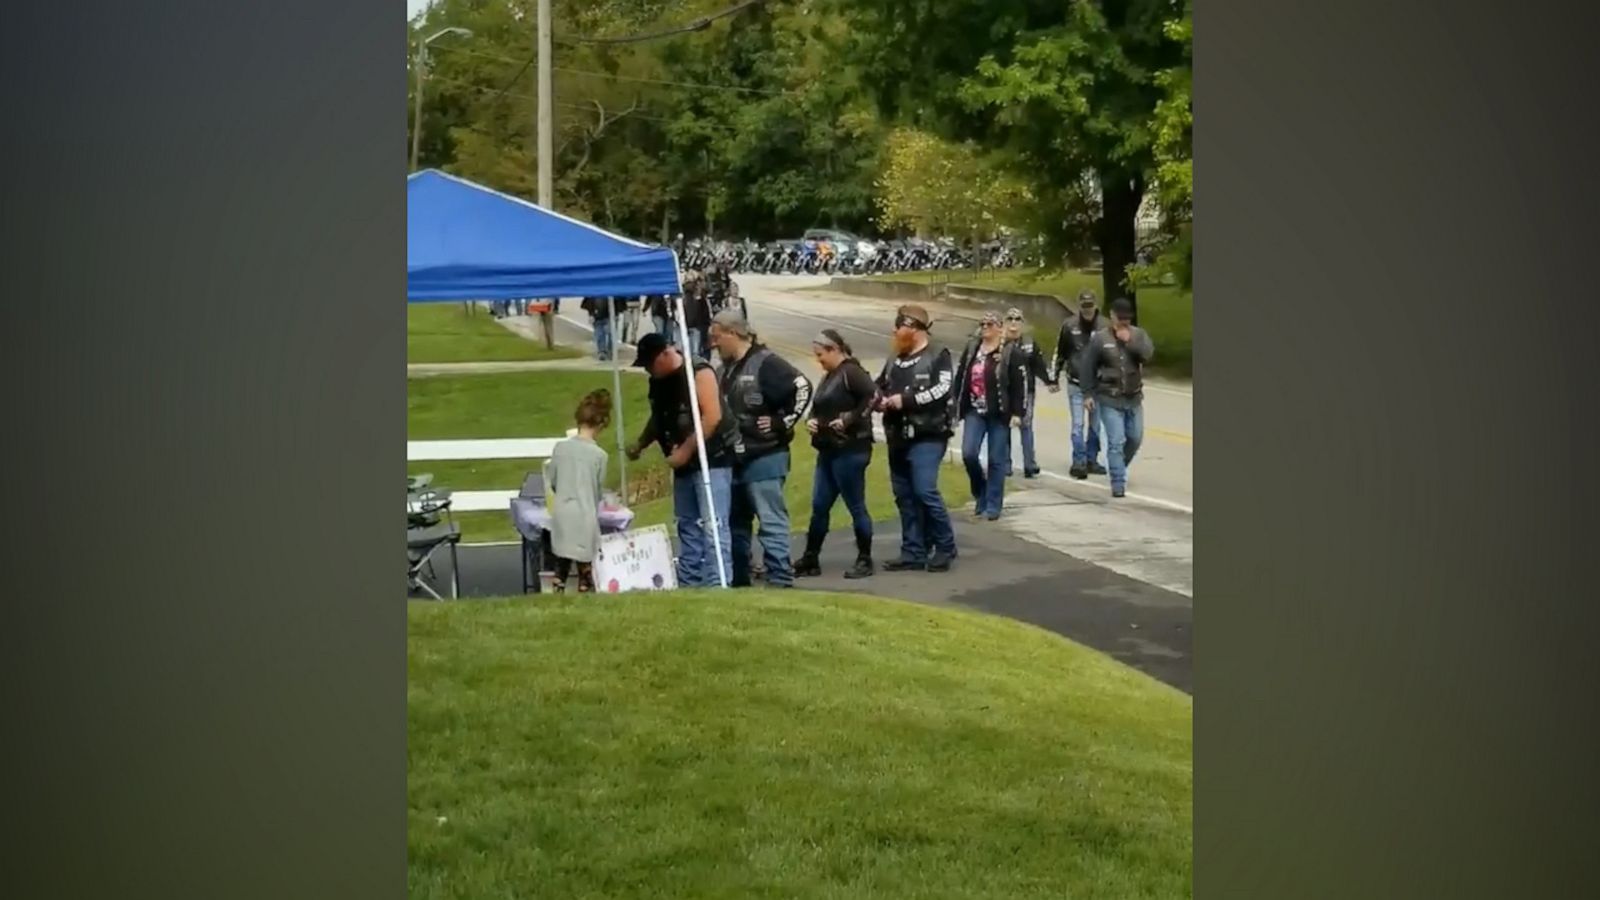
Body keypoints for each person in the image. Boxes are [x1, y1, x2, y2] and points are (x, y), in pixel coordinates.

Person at [710, 310, 813, 589]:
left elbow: (802, 387)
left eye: (717, 338)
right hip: (734, 457)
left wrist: (782, 422)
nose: (714, 345)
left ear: (733, 333)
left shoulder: (767, 363)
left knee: (770, 519)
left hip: (766, 455)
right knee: (736, 522)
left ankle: (780, 577)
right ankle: (739, 578)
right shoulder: (724, 369)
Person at [627, 333, 736, 587]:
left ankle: (717, 583)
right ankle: (689, 581)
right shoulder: (658, 382)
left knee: (713, 525)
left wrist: (685, 451)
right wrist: (642, 443)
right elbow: (658, 417)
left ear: (666, 354)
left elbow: (712, 417)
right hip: (682, 464)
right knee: (687, 524)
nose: (648, 371)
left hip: (712, 460)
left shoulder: (698, 372)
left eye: (650, 364)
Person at [874, 304, 957, 572]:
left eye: (899, 327)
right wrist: (877, 399)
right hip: (897, 435)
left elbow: (943, 389)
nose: (894, 331)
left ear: (913, 328)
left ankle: (945, 545)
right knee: (904, 496)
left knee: (925, 490)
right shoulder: (894, 358)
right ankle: (913, 550)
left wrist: (905, 400)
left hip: (928, 434)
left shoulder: (937, 355)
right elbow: (879, 385)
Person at [796, 328, 876, 579]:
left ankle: (865, 558)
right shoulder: (830, 376)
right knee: (820, 505)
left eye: (820, 355)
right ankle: (811, 556)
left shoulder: (851, 372)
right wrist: (812, 420)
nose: (818, 361)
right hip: (828, 448)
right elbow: (820, 405)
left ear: (833, 350)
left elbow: (873, 396)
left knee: (855, 504)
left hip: (850, 449)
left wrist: (850, 419)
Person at [1078, 298, 1156, 499]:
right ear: (1112, 316)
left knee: (1135, 438)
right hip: (1109, 397)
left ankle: (1118, 466)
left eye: (1127, 320)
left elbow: (1148, 355)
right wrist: (1087, 393)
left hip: (1133, 397)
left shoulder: (1139, 335)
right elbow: (1087, 366)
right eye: (1120, 319)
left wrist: (1129, 341)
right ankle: (1118, 482)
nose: (1124, 323)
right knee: (1116, 441)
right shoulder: (1100, 339)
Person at [954, 312, 1027, 521]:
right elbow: (961, 377)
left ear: (999, 327)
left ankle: (993, 505)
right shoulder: (972, 349)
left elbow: (1019, 385)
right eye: (982, 324)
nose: (985, 328)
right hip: (974, 410)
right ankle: (981, 493)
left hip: (999, 413)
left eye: (989, 324)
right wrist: (955, 405)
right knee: (968, 453)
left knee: (997, 460)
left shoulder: (1010, 352)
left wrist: (1017, 412)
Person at [546, 389, 611, 593]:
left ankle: (558, 585)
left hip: (563, 512)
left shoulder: (560, 449)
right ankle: (584, 587)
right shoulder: (599, 456)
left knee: (562, 559)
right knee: (584, 565)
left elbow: (553, 481)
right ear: (601, 424)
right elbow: (596, 490)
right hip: (584, 514)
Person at [1053, 290, 1109, 480]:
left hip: (1098, 385)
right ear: (1079, 306)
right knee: (1078, 424)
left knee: (1095, 425)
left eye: (1090, 306)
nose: (1087, 310)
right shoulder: (1069, 325)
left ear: (1095, 305)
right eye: (1084, 307)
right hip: (1075, 382)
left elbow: (1111, 355)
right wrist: (1054, 376)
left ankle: (1092, 459)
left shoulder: (1104, 326)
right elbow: (1060, 351)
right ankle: (1079, 461)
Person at [1002, 307, 1059, 479]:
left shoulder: (1029, 344)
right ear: (1004, 323)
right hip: (1004, 391)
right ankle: (1005, 464)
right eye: (1010, 319)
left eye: (1017, 319)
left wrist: (1049, 381)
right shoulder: (999, 343)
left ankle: (1029, 463)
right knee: (1004, 427)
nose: (1013, 323)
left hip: (1026, 391)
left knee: (1026, 426)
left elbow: (1039, 365)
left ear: (1022, 323)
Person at [681, 273, 713, 361]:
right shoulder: (688, 295)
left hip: (699, 326)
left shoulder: (702, 297)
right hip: (691, 325)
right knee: (692, 350)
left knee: (697, 349)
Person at [580, 296, 615, 361]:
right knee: (599, 334)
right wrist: (591, 314)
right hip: (597, 316)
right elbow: (588, 302)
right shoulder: (593, 293)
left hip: (609, 315)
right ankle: (602, 351)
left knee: (610, 333)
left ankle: (610, 350)